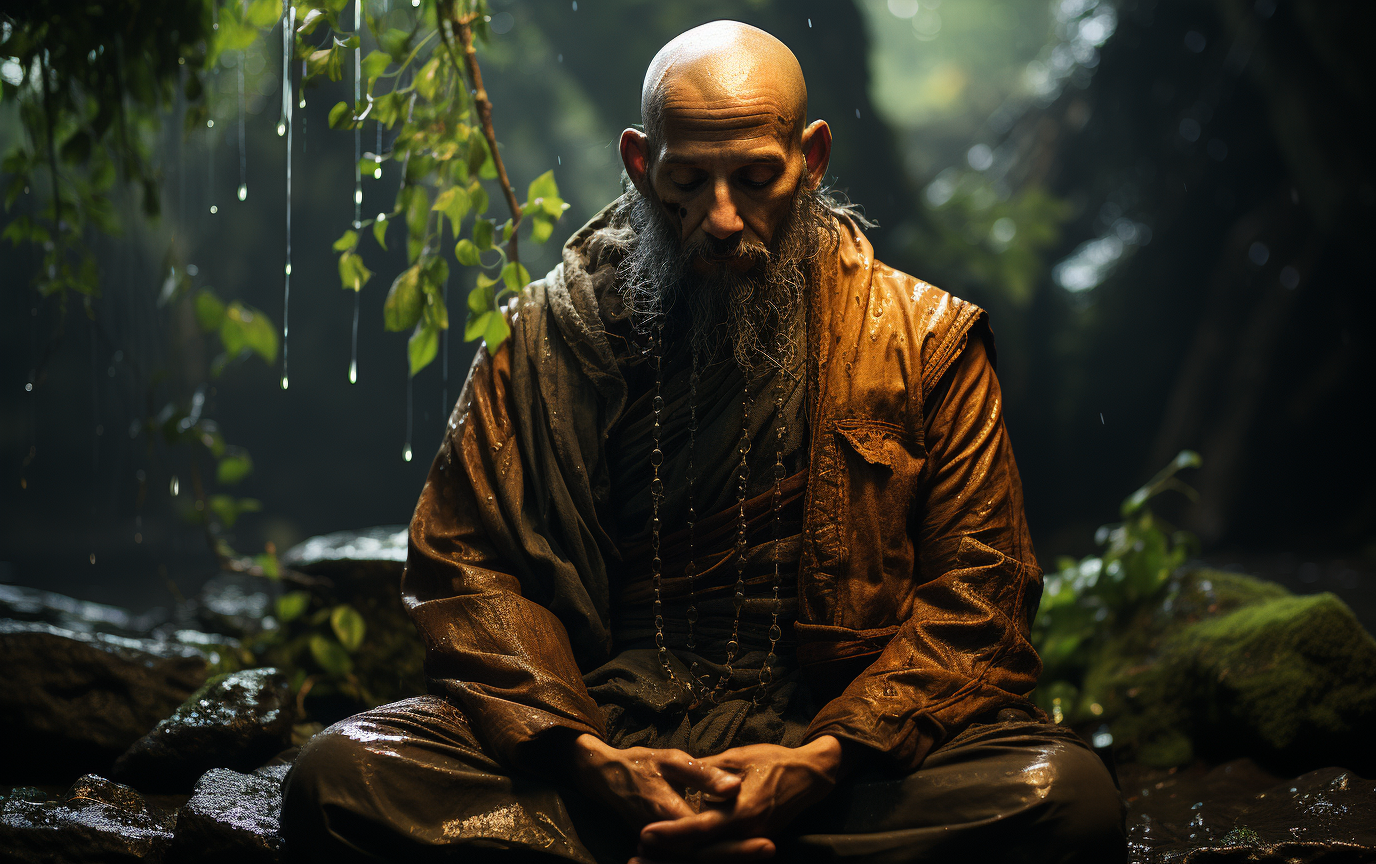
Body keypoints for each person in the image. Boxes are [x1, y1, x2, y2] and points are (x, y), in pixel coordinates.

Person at [282, 20, 1125, 864]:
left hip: (835, 733)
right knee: (339, 777)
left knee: (1064, 799)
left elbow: (982, 589)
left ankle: (692, 841)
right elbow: (463, 569)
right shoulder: (543, 339)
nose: (723, 218)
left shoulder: (924, 340)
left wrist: (824, 759)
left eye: (757, 176)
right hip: (602, 727)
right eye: (690, 179)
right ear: (643, 165)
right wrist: (586, 758)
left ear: (812, 159)